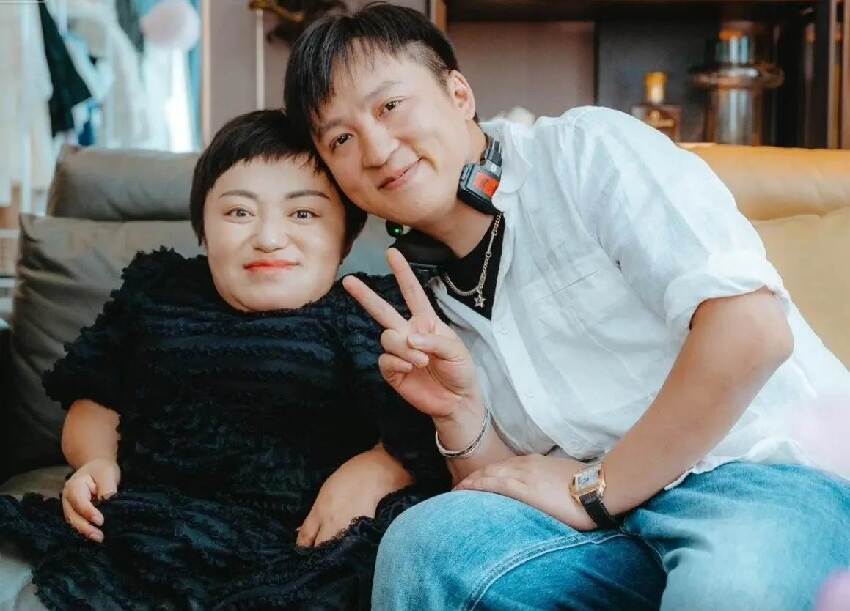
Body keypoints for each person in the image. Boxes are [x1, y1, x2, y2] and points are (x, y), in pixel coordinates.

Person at [283, 4, 850, 609]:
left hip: (758, 474)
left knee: (729, 591)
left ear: (458, 94)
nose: (374, 148)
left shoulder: (586, 151)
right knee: (428, 547)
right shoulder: (415, 294)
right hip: (607, 528)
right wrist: (460, 413)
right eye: (340, 138)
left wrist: (598, 487)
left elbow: (752, 331)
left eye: (390, 106)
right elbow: (510, 483)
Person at [0, 109, 449, 611]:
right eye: (239, 212)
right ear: (204, 229)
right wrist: (96, 460)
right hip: (158, 529)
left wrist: (381, 467)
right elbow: (96, 402)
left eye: (303, 214)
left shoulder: (372, 310)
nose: (269, 237)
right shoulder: (159, 295)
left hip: (313, 541)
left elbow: (428, 427)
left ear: (345, 235)